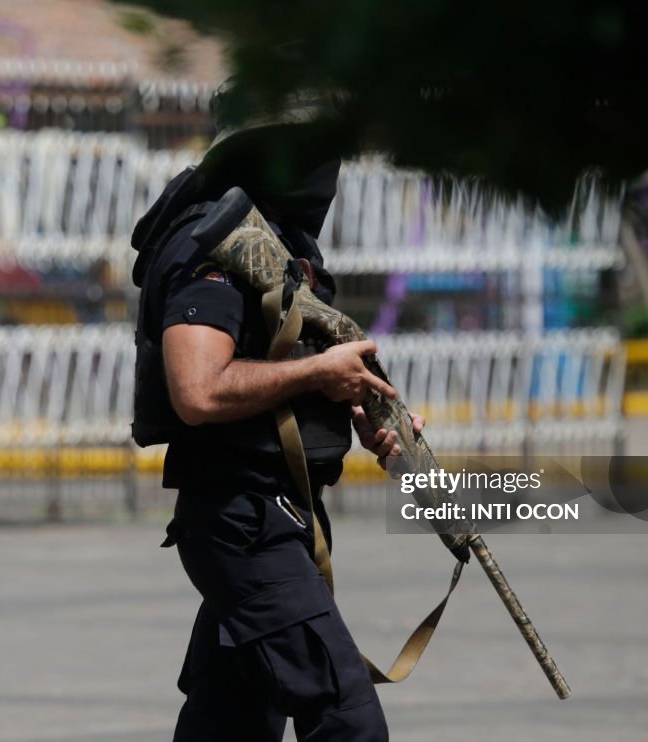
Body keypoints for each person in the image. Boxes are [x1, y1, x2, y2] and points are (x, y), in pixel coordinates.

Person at [130, 82, 423, 742]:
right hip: (244, 521)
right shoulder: (213, 250)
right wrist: (319, 372)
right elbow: (198, 391)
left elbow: (286, 371)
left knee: (228, 725)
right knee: (346, 720)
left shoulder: (277, 248)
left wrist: (359, 406)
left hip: (272, 514)